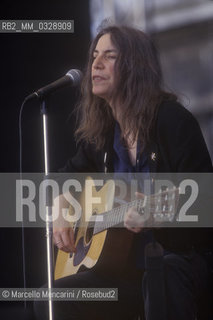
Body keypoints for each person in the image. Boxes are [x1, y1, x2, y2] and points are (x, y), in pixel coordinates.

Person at [34, 24, 213, 320]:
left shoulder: (172, 121)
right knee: (51, 299)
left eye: (110, 56)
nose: (96, 64)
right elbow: (61, 178)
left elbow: (205, 202)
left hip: (180, 263)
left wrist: (161, 217)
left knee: (161, 273)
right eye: (94, 56)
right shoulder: (104, 137)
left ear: (134, 66)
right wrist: (62, 203)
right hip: (126, 275)